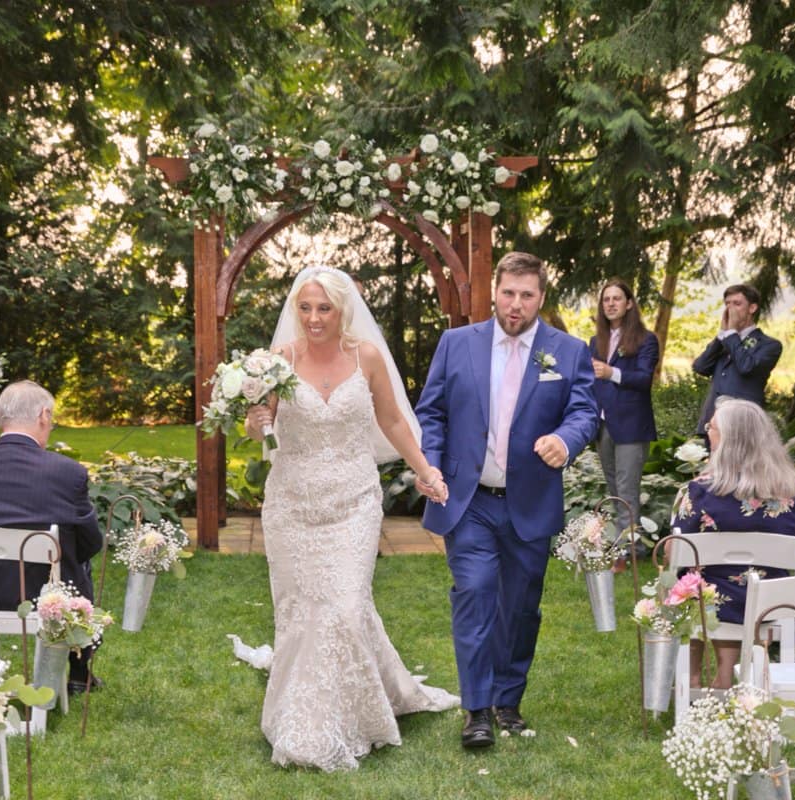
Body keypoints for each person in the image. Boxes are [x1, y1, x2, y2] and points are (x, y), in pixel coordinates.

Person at [243, 266, 457, 771]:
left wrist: (425, 470)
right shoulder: (278, 362)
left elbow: (391, 419)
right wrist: (255, 422)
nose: (314, 318)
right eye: (305, 307)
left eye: (324, 308)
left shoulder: (367, 357)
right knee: (301, 611)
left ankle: (347, 715)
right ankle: (302, 720)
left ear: (344, 311)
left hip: (353, 504)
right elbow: (261, 430)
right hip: (292, 505)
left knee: (344, 604)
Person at [415, 251, 598, 749]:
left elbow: (585, 410)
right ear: (494, 291)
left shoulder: (568, 350)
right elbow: (430, 414)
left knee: (519, 608)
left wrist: (566, 439)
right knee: (474, 594)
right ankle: (476, 710)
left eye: (527, 295)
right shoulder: (456, 344)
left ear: (541, 298)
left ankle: (507, 700)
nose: (515, 304)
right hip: (468, 498)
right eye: (508, 293)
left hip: (530, 501)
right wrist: (428, 463)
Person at [0, 380, 105, 694]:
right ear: (43, 416)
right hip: (42, 598)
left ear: (0, 418)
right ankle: (79, 671)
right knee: (81, 562)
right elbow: (91, 542)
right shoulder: (67, 472)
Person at [671, 399, 795, 688]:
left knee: (692, 580)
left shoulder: (699, 491)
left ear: (730, 440)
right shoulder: (794, 493)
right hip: (771, 602)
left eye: (713, 427)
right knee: (722, 583)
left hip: (711, 603)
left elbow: (675, 553)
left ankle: (695, 678)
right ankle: (728, 676)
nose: (708, 432)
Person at [587, 278, 659, 537]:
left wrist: (611, 373)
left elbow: (643, 379)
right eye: (606, 299)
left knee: (627, 489)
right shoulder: (596, 341)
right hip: (603, 424)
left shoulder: (646, 339)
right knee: (615, 488)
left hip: (631, 426)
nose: (610, 303)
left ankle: (627, 550)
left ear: (629, 304)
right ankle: (630, 541)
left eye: (616, 298)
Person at [692, 284, 782, 439]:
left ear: (752, 308)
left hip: (743, 425)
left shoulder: (769, 345)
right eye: (727, 304)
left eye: (737, 304)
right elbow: (700, 367)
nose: (730, 310)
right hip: (712, 424)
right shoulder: (724, 341)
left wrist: (732, 334)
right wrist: (722, 335)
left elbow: (747, 367)